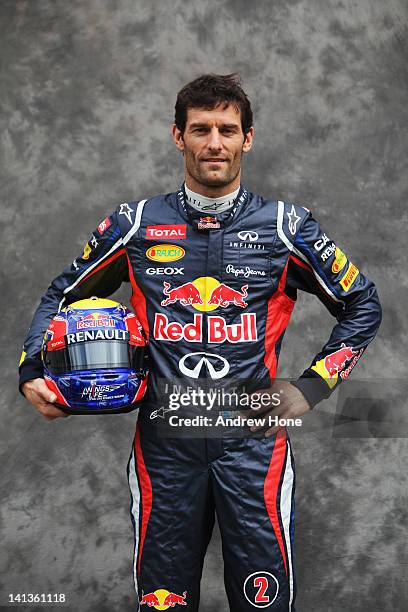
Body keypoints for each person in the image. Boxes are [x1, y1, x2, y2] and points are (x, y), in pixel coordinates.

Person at [19, 73, 382, 611]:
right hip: (165, 452)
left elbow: (362, 304)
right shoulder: (135, 225)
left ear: (248, 139)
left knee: (265, 604)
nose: (215, 142)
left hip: (254, 450)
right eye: (201, 129)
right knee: (163, 605)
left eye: (228, 130)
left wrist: (314, 385)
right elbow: (60, 294)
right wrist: (32, 374)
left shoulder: (287, 227)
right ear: (177, 136)